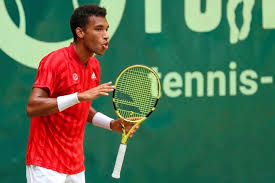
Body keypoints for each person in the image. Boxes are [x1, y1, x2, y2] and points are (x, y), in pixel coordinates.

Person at [25, 4, 138, 183]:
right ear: (80, 33)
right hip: (45, 164)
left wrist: (112, 124)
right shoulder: (55, 61)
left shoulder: (94, 66)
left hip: (75, 166)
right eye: (99, 29)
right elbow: (32, 106)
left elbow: (80, 108)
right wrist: (79, 96)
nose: (106, 35)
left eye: (106, 29)